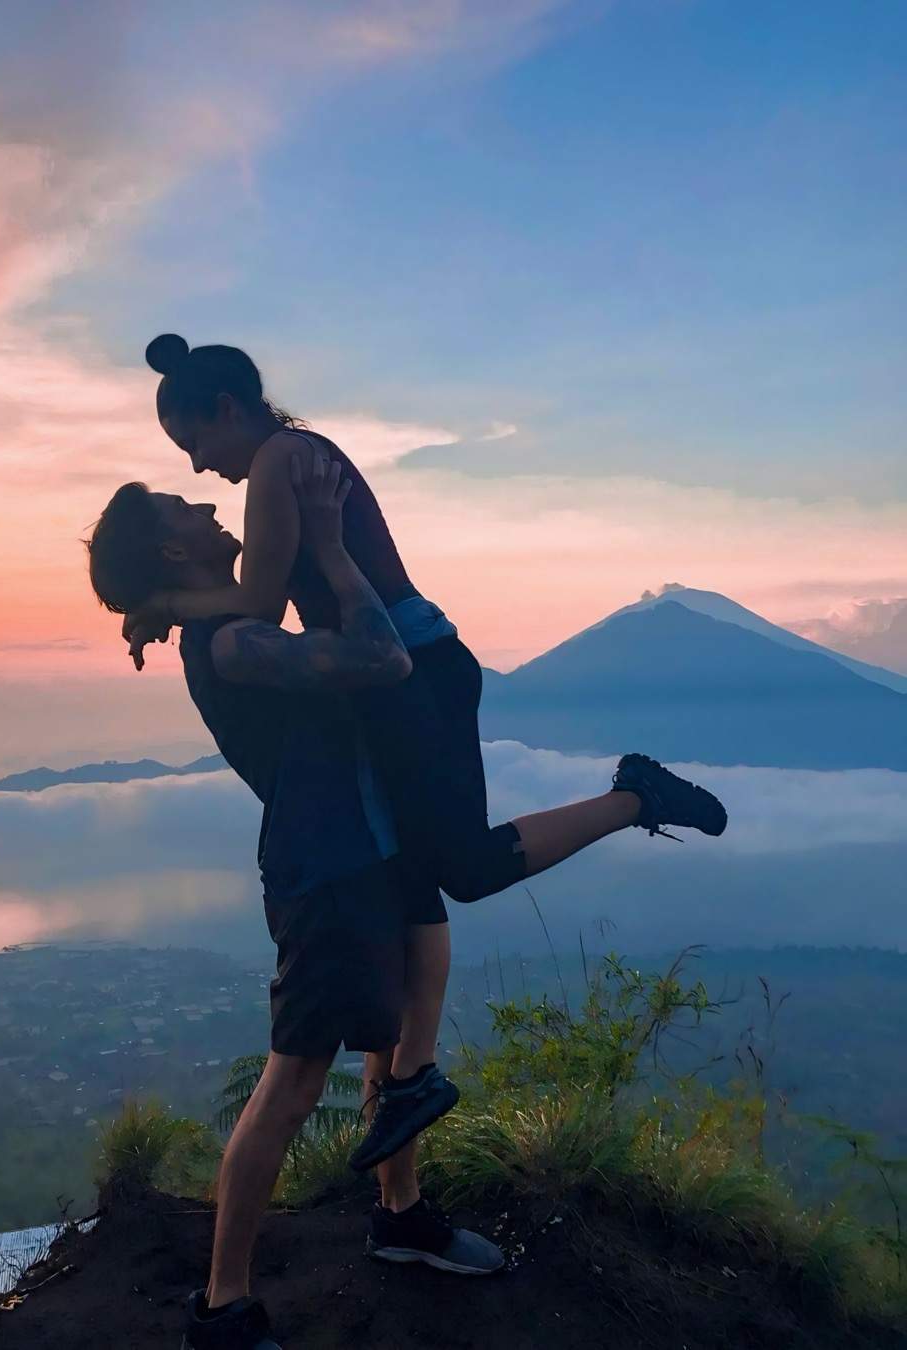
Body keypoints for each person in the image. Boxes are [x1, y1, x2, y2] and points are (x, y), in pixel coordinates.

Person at [122, 335, 728, 1163]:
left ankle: (637, 796)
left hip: (410, 669)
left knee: (466, 868)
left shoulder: (277, 462)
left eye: (192, 443)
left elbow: (257, 601)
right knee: (404, 864)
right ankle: (409, 1087)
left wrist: (162, 599)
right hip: (399, 670)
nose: (197, 469)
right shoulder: (294, 451)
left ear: (226, 410)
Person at [86, 458, 506, 1350]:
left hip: (367, 846)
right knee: (293, 1080)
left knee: (390, 1048)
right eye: (183, 505)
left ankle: (401, 1216)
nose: (207, 499)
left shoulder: (229, 623)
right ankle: (222, 1309)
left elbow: (247, 601)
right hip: (326, 869)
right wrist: (326, 545)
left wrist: (158, 605)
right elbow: (385, 657)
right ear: (172, 544)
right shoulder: (234, 644)